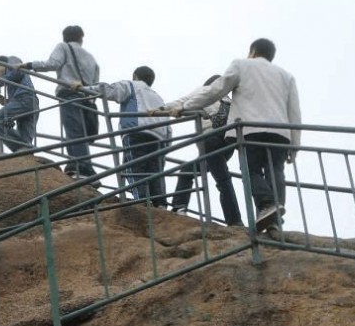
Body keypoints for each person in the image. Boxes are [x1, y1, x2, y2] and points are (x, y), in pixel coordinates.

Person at [156, 38, 301, 233]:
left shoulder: (241, 65)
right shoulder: (286, 76)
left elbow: (214, 90)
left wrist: (182, 107)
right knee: (275, 170)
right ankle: (273, 217)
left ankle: (265, 206)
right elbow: (294, 112)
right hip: (280, 132)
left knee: (251, 170)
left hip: (250, 129)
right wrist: (295, 145)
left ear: (252, 51)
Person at [73, 66, 170, 206]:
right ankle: (160, 204)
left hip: (136, 131)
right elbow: (167, 122)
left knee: (133, 168)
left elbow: (110, 90)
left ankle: (141, 201)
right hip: (159, 138)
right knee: (155, 172)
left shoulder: (131, 85)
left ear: (135, 75)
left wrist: (85, 88)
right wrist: (167, 145)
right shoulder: (158, 97)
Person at [21, 25, 100, 176]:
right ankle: (73, 164)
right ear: (81, 38)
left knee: (74, 132)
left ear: (64, 37)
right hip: (87, 98)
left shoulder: (63, 47)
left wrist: (28, 65)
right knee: (78, 132)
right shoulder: (91, 58)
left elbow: (52, 64)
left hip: (69, 93)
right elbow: (96, 82)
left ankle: (84, 168)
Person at [169, 75, 243, 226]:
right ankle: (179, 206)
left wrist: (161, 109)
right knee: (189, 170)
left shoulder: (206, 92)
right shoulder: (230, 100)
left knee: (222, 180)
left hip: (210, 140)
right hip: (228, 143)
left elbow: (184, 101)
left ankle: (234, 220)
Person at [0, 55, 39, 153]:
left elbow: (19, 71)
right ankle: (26, 150)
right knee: (25, 146)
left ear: (0, 64)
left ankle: (24, 147)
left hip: (25, 99)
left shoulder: (11, 60)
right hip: (29, 103)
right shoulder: (9, 79)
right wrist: (4, 101)